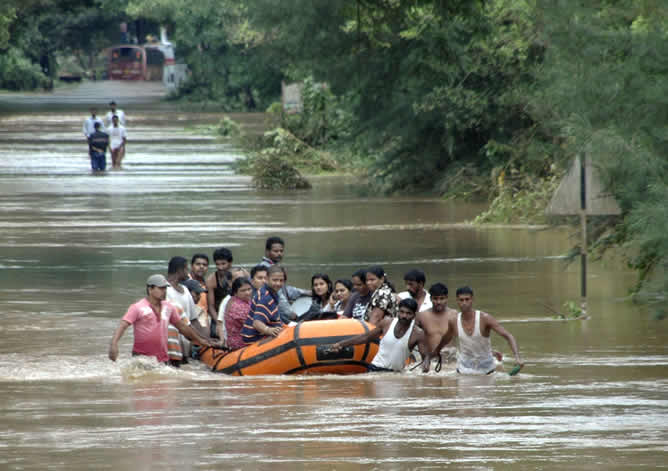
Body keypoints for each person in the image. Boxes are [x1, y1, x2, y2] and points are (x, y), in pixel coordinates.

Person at [108, 274, 215, 363]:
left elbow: (183, 327)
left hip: (162, 359)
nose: (164, 291)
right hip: (141, 359)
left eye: (165, 288)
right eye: (161, 288)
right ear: (150, 289)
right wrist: (114, 344)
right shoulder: (137, 307)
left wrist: (201, 340)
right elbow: (123, 326)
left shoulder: (169, 307)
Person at [425, 286, 524, 375]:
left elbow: (508, 336)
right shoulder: (454, 321)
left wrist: (517, 358)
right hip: (464, 370)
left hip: (487, 370)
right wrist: (430, 357)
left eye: (467, 299)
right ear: (457, 301)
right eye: (461, 300)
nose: (464, 303)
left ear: (472, 300)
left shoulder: (485, 318)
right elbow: (444, 340)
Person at [329, 298, 426, 372]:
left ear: (414, 315)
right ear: (398, 312)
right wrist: (341, 344)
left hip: (395, 374)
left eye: (408, 313)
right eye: (402, 312)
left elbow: (424, 357)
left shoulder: (418, 334)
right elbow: (365, 337)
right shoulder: (387, 323)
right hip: (375, 369)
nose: (404, 316)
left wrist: (427, 364)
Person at [417, 283, 457, 372]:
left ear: (447, 298)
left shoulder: (455, 315)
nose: (438, 302)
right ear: (431, 298)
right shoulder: (422, 316)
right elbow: (412, 336)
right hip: (431, 362)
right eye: (435, 298)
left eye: (442, 298)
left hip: (451, 362)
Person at [240, 265, 285, 344]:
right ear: (267, 279)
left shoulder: (267, 291)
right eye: (275, 280)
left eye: (281, 280)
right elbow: (256, 323)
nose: (278, 283)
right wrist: (269, 330)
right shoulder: (266, 298)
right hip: (255, 338)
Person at [216, 266, 250, 341]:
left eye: (243, 278)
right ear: (230, 282)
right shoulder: (227, 301)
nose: (242, 282)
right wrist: (222, 341)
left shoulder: (247, 297)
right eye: (237, 280)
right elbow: (219, 323)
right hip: (234, 339)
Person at [224, 277, 253, 350]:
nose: (247, 293)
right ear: (235, 293)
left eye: (249, 289)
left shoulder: (245, 300)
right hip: (240, 342)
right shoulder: (237, 306)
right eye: (243, 290)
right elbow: (252, 327)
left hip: (245, 337)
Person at [206, 247, 233, 324]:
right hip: (218, 315)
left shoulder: (239, 275)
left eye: (223, 264)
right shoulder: (211, 280)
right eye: (217, 264)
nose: (220, 267)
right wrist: (219, 323)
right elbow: (211, 307)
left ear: (230, 263)